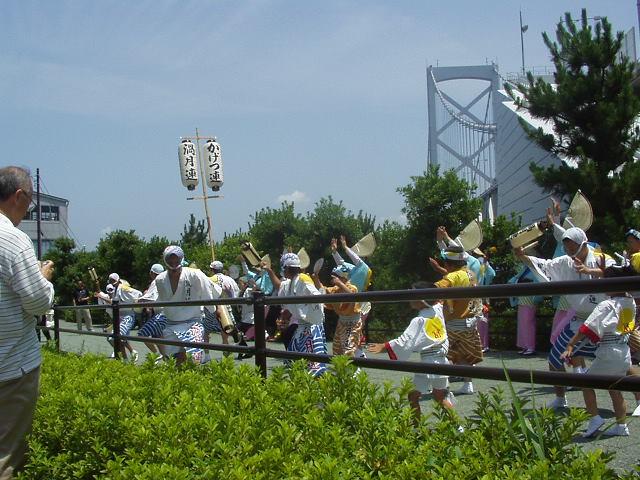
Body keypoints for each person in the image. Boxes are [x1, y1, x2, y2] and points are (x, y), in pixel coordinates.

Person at [514, 226, 615, 409]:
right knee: (554, 359)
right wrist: (523, 256)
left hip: (605, 320)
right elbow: (545, 265)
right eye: (566, 247)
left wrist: (591, 271)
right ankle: (561, 398)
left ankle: (638, 399)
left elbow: (618, 274)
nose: (569, 250)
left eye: (572, 246)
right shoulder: (566, 261)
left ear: (583, 243)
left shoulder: (602, 258)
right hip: (580, 319)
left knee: (620, 365)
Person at [0, 166, 55, 479]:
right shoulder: (12, 239)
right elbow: (37, 302)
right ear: (18, 196)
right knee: (6, 454)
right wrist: (43, 277)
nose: (29, 210)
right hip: (11, 368)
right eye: (31, 202)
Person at [368, 281, 453, 421]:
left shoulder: (418, 320)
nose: (410, 297)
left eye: (413, 294)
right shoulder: (437, 309)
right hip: (442, 359)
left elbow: (405, 341)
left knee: (413, 396)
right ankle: (458, 428)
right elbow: (439, 299)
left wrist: (384, 346)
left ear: (421, 299)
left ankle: (416, 426)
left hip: (429, 362)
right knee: (440, 397)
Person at [561, 291, 635, 437]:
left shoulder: (606, 304)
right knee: (615, 388)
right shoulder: (630, 302)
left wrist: (570, 345)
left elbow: (586, 327)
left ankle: (595, 418)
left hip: (609, 349)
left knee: (586, 383)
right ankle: (621, 426)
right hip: (624, 350)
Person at [155, 246, 222, 365]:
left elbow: (209, 292)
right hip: (171, 324)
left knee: (194, 360)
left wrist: (214, 310)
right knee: (174, 361)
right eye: (170, 260)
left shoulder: (195, 274)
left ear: (181, 259)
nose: (174, 263)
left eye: (176, 260)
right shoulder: (160, 279)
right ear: (165, 260)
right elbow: (159, 301)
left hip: (192, 323)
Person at [432, 244, 483, 395]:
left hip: (455, 322)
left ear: (449, 264)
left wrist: (417, 290)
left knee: (440, 352)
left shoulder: (452, 276)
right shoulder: (470, 274)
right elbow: (455, 278)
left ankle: (440, 385)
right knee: (464, 355)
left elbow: (436, 288)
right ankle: (468, 384)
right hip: (470, 321)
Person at [269, 252, 328, 377]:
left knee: (313, 366)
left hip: (311, 327)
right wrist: (286, 315)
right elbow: (282, 288)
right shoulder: (291, 282)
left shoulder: (303, 279)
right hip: (302, 327)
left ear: (286, 268)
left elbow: (317, 297)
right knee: (294, 362)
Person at [312, 264, 364, 359]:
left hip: (353, 322)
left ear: (342, 277)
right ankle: (359, 358)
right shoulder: (334, 290)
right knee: (337, 350)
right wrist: (316, 278)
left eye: (336, 276)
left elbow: (352, 296)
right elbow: (322, 289)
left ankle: (357, 364)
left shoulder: (352, 287)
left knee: (349, 349)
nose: (333, 279)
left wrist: (340, 284)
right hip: (342, 322)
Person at [96, 273, 142, 361]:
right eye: (110, 280)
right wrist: (97, 284)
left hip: (128, 316)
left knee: (116, 337)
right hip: (119, 318)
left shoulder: (123, 288)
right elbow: (100, 293)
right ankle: (126, 359)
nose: (112, 282)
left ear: (117, 280)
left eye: (113, 280)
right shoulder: (114, 291)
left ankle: (131, 353)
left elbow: (138, 293)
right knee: (117, 338)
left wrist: (138, 303)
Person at [136, 263, 167, 359]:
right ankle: (166, 359)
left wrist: (139, 300)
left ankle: (156, 355)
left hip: (161, 314)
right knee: (159, 337)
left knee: (142, 334)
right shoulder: (167, 280)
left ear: (152, 273)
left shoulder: (157, 281)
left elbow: (150, 297)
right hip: (167, 313)